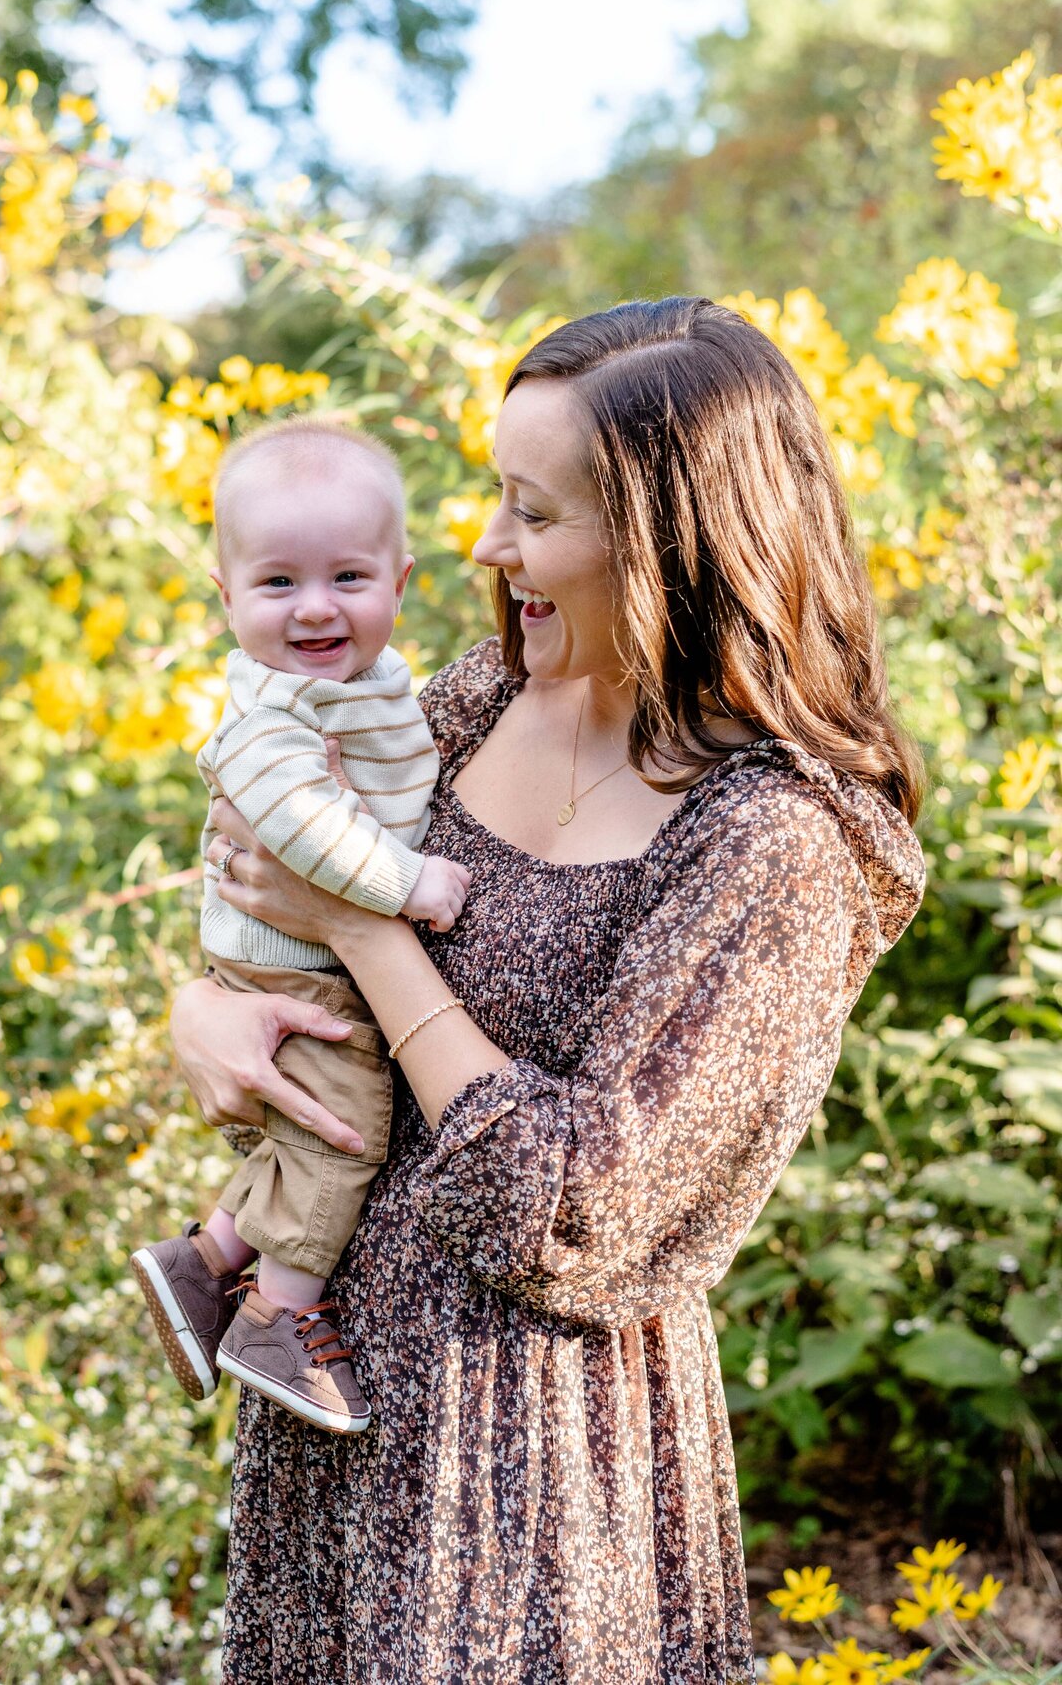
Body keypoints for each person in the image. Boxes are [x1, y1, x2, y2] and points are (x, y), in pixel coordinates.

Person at [169, 298, 927, 1684]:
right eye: (493, 495)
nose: (485, 546)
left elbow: (579, 1211)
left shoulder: (770, 844)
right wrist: (199, 1011)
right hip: (332, 1399)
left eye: (534, 511)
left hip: (531, 1463)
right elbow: (257, 870)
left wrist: (375, 936)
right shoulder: (471, 697)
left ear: (663, 542)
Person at [132, 419, 470, 1434]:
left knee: (302, 1117)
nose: (316, 608)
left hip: (292, 948)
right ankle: (281, 1313)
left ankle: (206, 1260)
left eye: (348, 578)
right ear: (226, 595)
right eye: (278, 584)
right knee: (346, 1117)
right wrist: (410, 885)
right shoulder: (278, 715)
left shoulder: (369, 688)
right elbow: (304, 836)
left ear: (401, 581)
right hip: (294, 955)